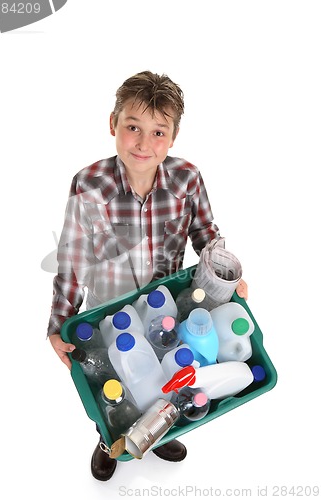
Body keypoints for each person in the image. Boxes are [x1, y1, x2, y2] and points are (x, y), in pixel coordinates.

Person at [47, 70, 248, 481]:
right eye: (133, 127)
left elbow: (207, 236)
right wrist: (58, 324)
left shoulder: (187, 179)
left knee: (168, 374)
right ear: (113, 125)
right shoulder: (88, 184)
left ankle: (158, 430)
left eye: (159, 132)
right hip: (109, 306)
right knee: (114, 382)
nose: (144, 142)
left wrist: (228, 278)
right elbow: (72, 258)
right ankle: (109, 439)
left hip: (164, 307)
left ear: (173, 137)